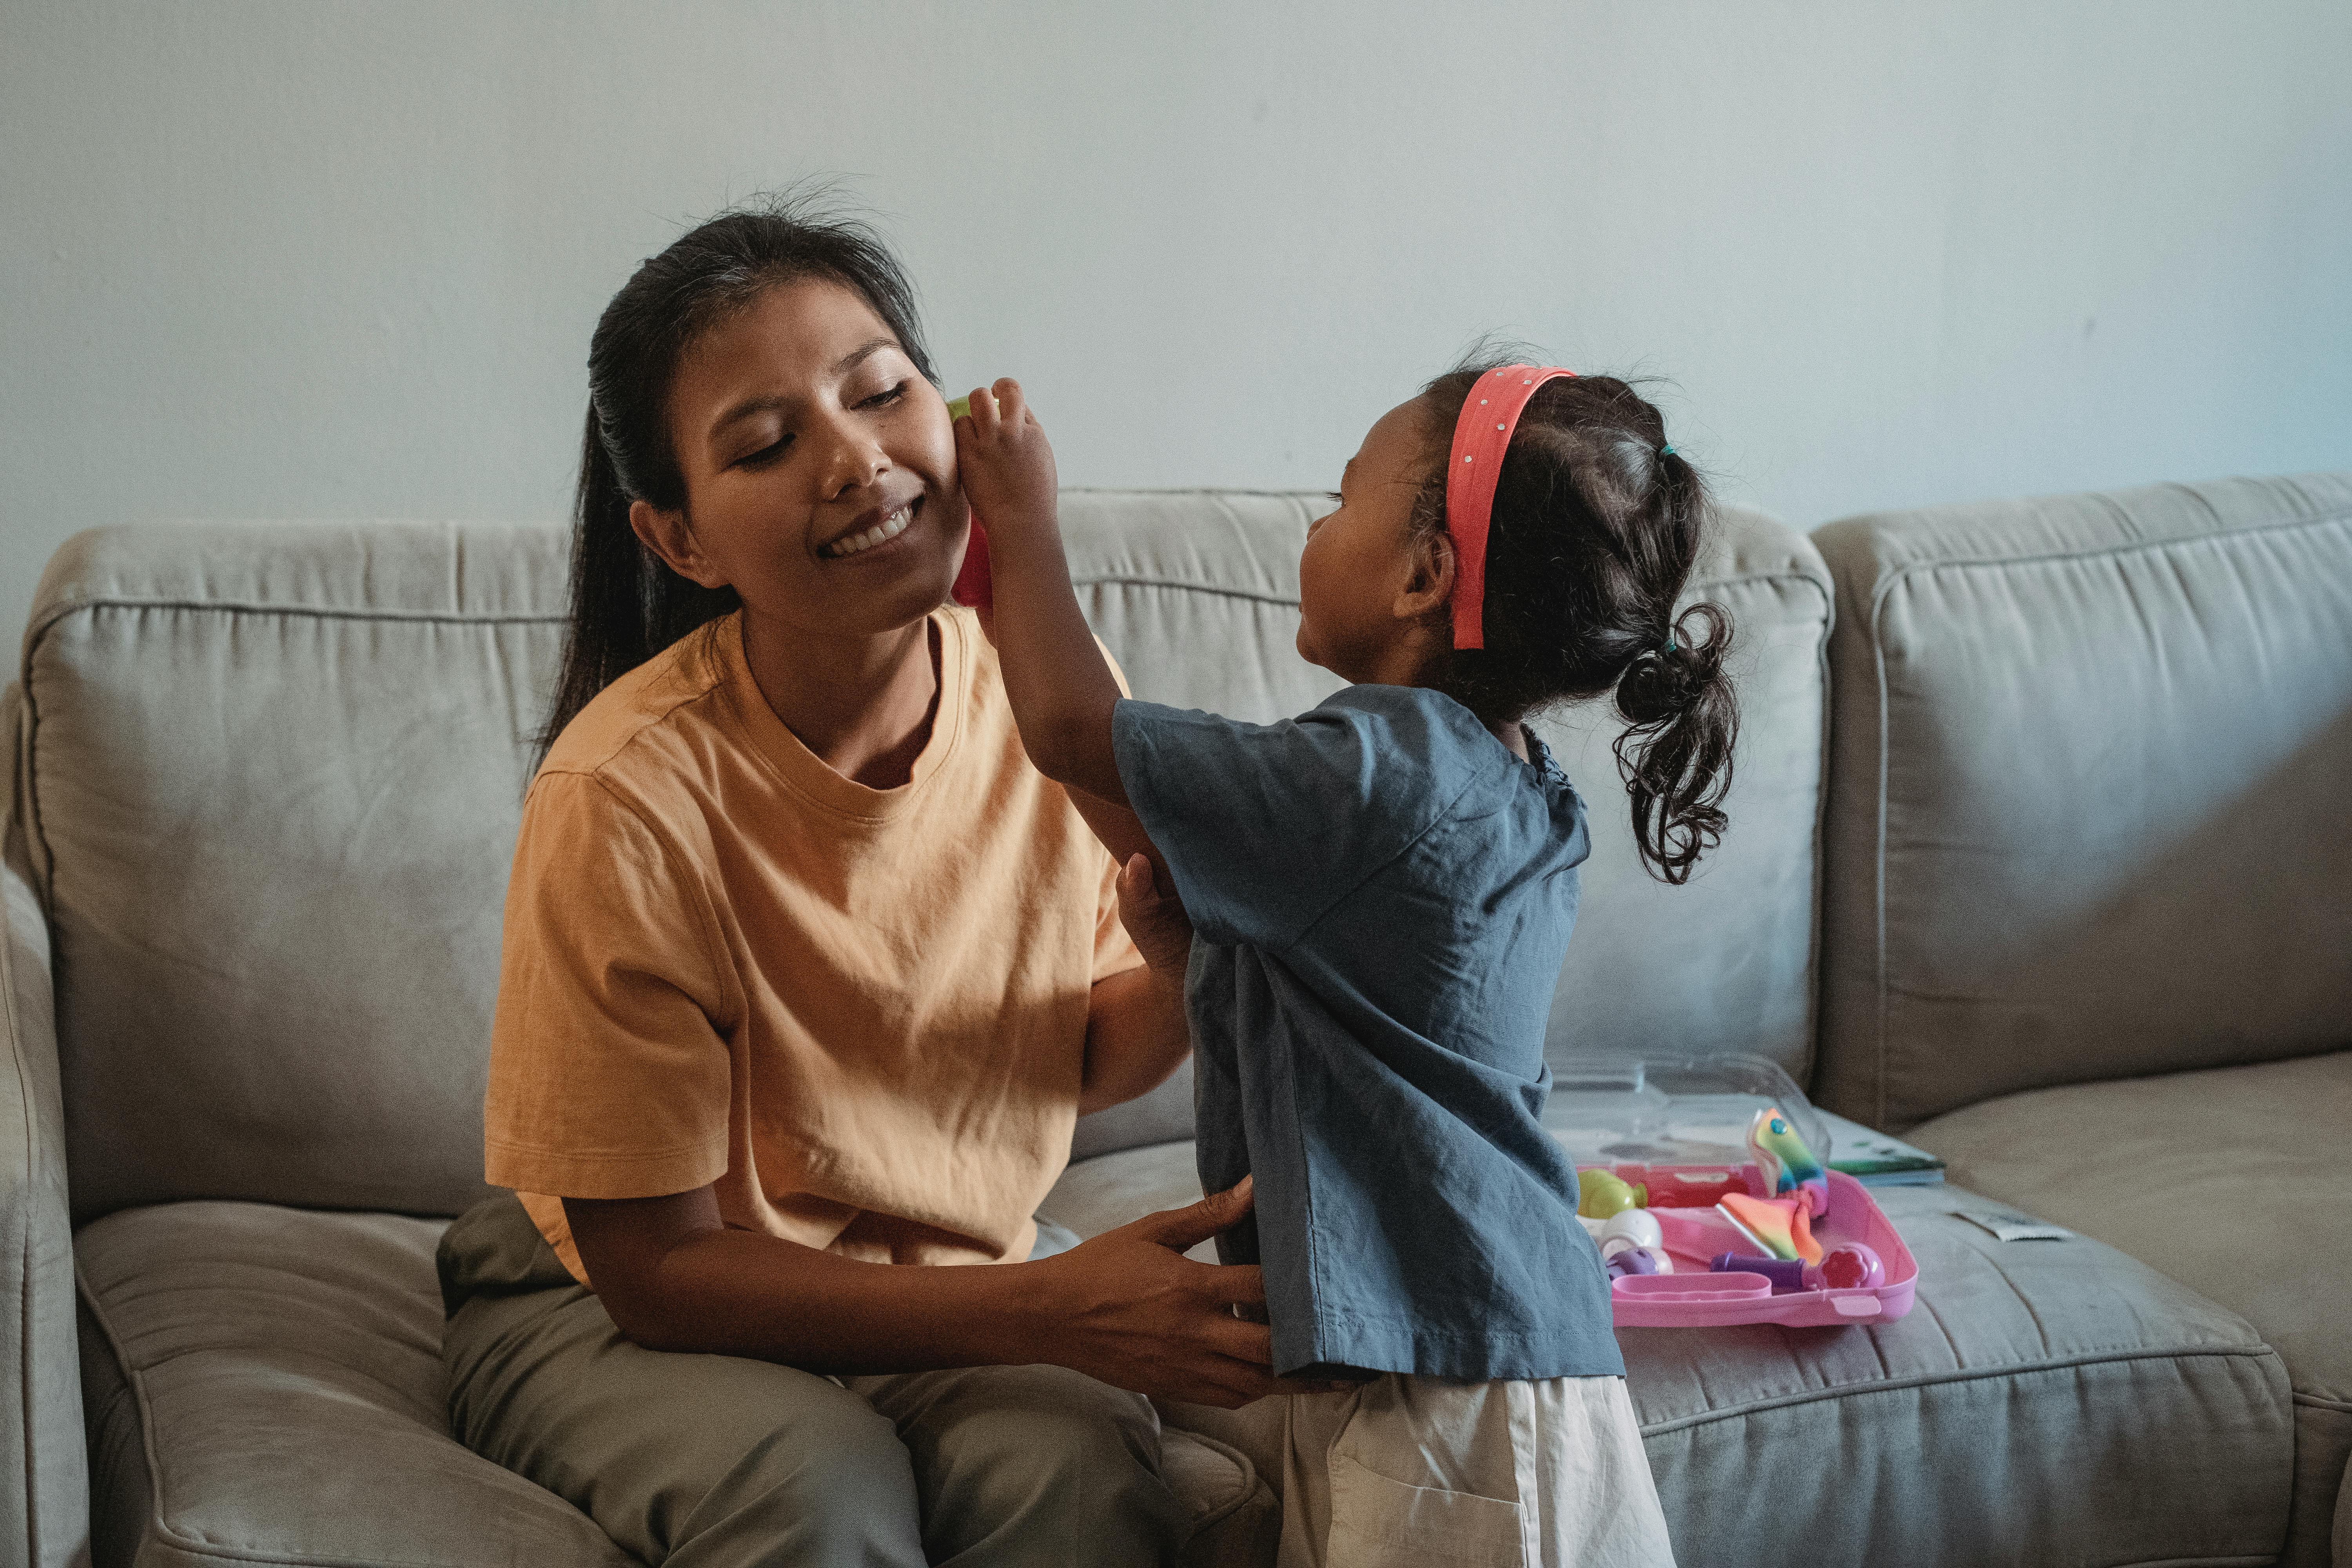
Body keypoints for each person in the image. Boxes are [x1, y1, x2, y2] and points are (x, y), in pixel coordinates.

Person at [436, 199, 1325, 1568]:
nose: (853, 460)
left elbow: (1077, 1055)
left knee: (1079, 1480)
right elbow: (655, 1267)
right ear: (681, 542)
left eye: (878, 392)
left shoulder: (1053, 714)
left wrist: (1193, 969)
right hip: (622, 1297)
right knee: (818, 1494)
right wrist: (1051, 1314)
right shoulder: (625, 795)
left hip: (950, 1278)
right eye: (768, 444)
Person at [956, 360, 1733, 1566]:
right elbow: (1369, 1007)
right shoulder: (1508, 784)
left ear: (1426, 574)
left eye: (1338, 499)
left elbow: (1066, 729)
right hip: (1465, 1369)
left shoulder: (1384, 763)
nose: (1314, 530)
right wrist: (1206, 952)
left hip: (1453, 1396)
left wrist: (1021, 520)